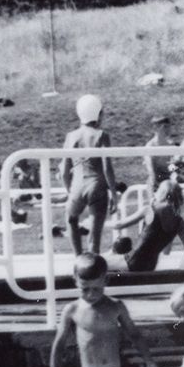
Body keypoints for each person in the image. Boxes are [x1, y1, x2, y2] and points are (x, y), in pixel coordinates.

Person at [61, 94, 119, 257]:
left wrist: (69, 191)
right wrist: (114, 194)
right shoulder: (102, 135)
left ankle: (78, 258)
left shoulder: (71, 136)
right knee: (95, 236)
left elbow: (64, 171)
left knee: (71, 220)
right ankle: (93, 265)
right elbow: (108, 168)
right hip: (97, 185)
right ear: (99, 113)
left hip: (77, 185)